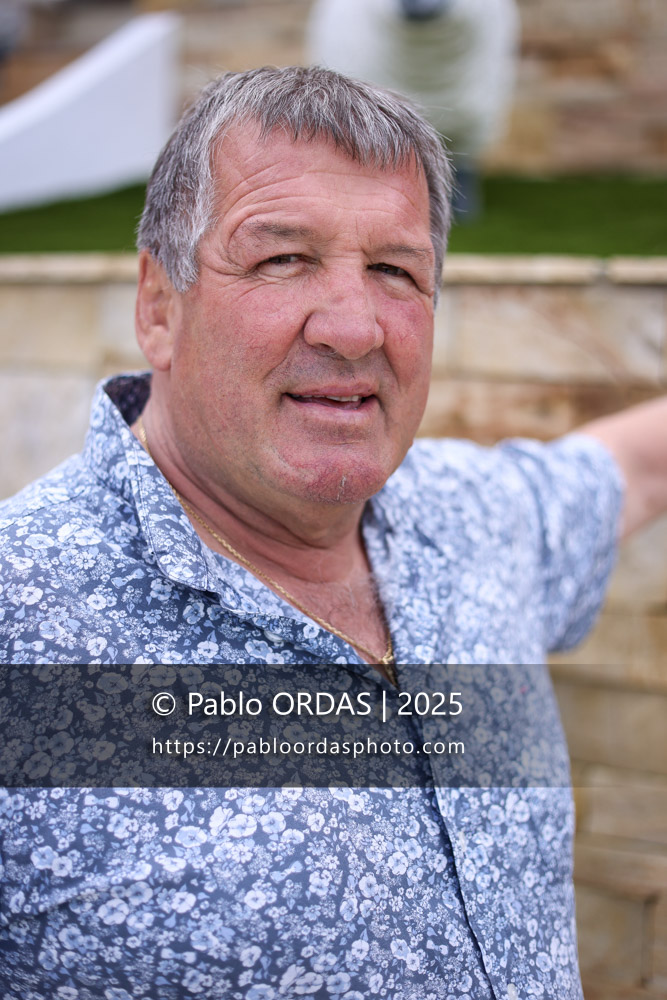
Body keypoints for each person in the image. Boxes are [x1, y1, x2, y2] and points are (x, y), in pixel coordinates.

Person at [0, 65, 666, 999]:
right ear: (159, 306)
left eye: (394, 270)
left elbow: (630, 469)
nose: (354, 328)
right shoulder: (21, 616)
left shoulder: (471, 518)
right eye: (281, 259)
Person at [307, 0, 520, 217]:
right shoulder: (350, 13)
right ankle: (375, 182)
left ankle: (460, 177)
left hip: (462, 60)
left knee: (466, 121)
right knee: (369, 113)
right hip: (379, 46)